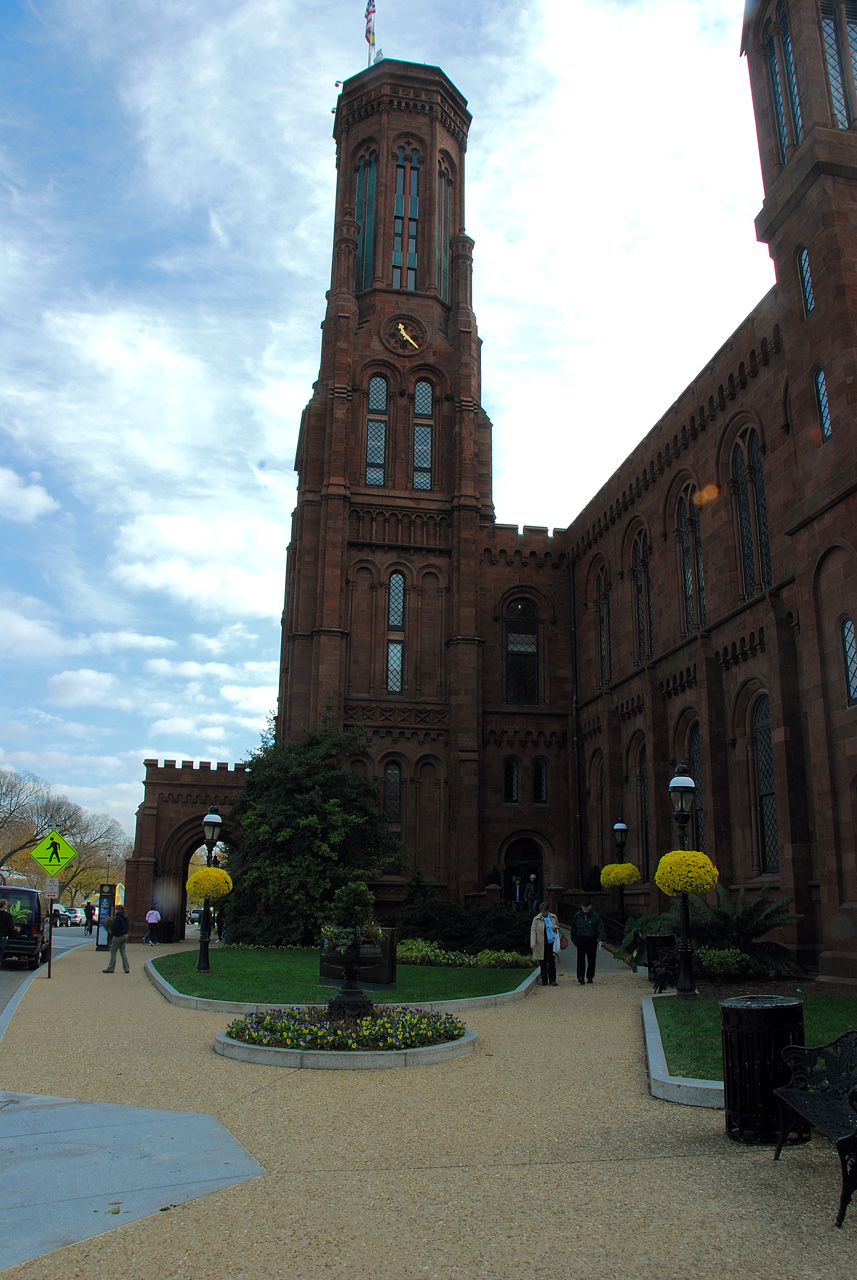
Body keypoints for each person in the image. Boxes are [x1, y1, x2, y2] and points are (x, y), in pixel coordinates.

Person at [570, 900, 606, 985]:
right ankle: (580, 976)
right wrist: (574, 940)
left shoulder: (595, 916)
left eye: (587, 907)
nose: (585, 908)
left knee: (591, 959)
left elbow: (600, 928)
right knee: (580, 959)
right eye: (583, 907)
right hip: (581, 939)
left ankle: (590, 976)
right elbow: (573, 928)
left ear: (590, 907)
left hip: (591, 939)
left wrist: (601, 939)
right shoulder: (578, 915)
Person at [530, 901, 560, 986]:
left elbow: (557, 928)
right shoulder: (536, 919)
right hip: (541, 943)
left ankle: (552, 979)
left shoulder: (553, 917)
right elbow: (533, 931)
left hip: (551, 942)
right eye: (542, 912)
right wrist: (533, 943)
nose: (543, 913)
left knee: (551, 961)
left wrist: (555, 929)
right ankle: (544, 980)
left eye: (544, 911)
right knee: (542, 962)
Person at [103, 904, 130, 974]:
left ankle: (111, 968)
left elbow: (115, 927)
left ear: (118, 910)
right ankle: (126, 968)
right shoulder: (125, 917)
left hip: (118, 936)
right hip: (125, 935)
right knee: (123, 952)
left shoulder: (117, 918)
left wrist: (110, 930)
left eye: (115, 909)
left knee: (113, 952)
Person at [0, 899, 16, 967]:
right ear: (4, 905)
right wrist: (16, 929)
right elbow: (11, 927)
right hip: (2, 935)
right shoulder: (8, 915)